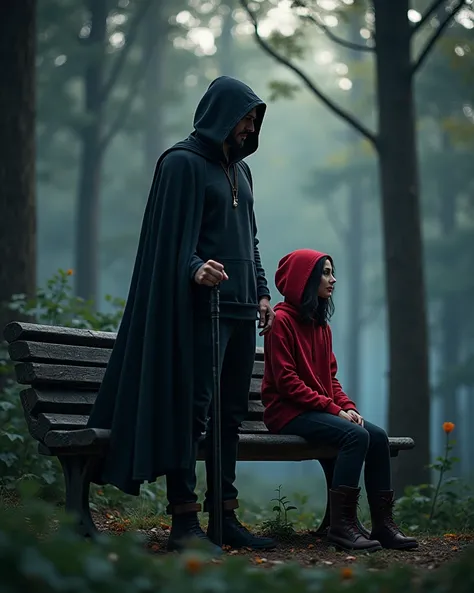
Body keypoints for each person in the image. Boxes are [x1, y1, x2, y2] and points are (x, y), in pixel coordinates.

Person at [87, 76, 276, 553]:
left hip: (237, 312)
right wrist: (194, 268)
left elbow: (248, 240)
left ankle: (224, 518)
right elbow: (167, 241)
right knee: (190, 416)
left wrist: (260, 292)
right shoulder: (181, 164)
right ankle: (185, 522)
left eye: (254, 120)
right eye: (244, 117)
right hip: (195, 314)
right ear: (220, 114)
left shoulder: (241, 173)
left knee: (229, 417)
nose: (249, 127)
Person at [261, 248, 418, 552]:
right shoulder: (281, 322)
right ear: (304, 278)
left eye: (332, 272)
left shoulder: (321, 326)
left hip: (314, 410)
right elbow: (288, 383)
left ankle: (383, 526)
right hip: (286, 413)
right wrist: (333, 409)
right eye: (326, 272)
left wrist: (347, 406)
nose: (333, 279)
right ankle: (342, 527)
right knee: (354, 436)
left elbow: (330, 379)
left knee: (377, 437)